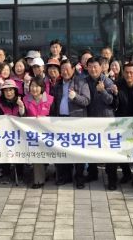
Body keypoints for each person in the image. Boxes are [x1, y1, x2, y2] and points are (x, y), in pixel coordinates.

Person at [50, 59, 90, 188]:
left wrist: (75, 97)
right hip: (60, 121)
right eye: (62, 69)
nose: (65, 71)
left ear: (73, 69)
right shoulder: (57, 85)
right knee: (63, 149)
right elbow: (53, 103)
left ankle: (79, 177)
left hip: (76, 121)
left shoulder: (81, 82)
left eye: (67, 69)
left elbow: (87, 100)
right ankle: (65, 176)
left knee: (77, 150)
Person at [84, 57, 117, 184]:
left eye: (95, 67)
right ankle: (92, 173)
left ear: (101, 67)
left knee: (108, 150)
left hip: (106, 120)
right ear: (87, 68)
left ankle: (112, 178)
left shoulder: (107, 81)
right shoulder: (85, 80)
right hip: (91, 120)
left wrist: (102, 91)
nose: (93, 69)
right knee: (91, 147)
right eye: (90, 67)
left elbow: (110, 100)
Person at [24, 77, 54, 189]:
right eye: (32, 86)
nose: (34, 89)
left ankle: (56, 175)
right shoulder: (25, 100)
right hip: (32, 134)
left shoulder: (50, 99)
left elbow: (54, 117)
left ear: (42, 87)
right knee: (37, 153)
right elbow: (22, 117)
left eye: (37, 86)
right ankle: (38, 180)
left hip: (48, 133)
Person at [0, 83, 25, 185]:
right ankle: (6, 174)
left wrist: (21, 106)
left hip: (19, 132)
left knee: (19, 152)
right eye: (6, 90)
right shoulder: (0, 102)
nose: (8, 93)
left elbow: (24, 116)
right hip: (5, 132)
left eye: (11, 90)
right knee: (5, 151)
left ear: (15, 91)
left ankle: (20, 174)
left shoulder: (20, 100)